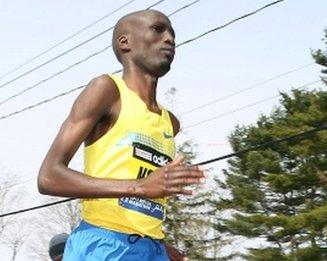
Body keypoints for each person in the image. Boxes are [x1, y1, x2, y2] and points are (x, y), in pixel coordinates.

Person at [38, 10, 206, 261]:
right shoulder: (106, 90)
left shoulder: (170, 123)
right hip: (104, 243)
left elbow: (145, 204)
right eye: (158, 29)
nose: (170, 38)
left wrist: (163, 248)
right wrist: (138, 187)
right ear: (124, 42)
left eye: (172, 33)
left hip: (151, 249)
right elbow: (49, 177)